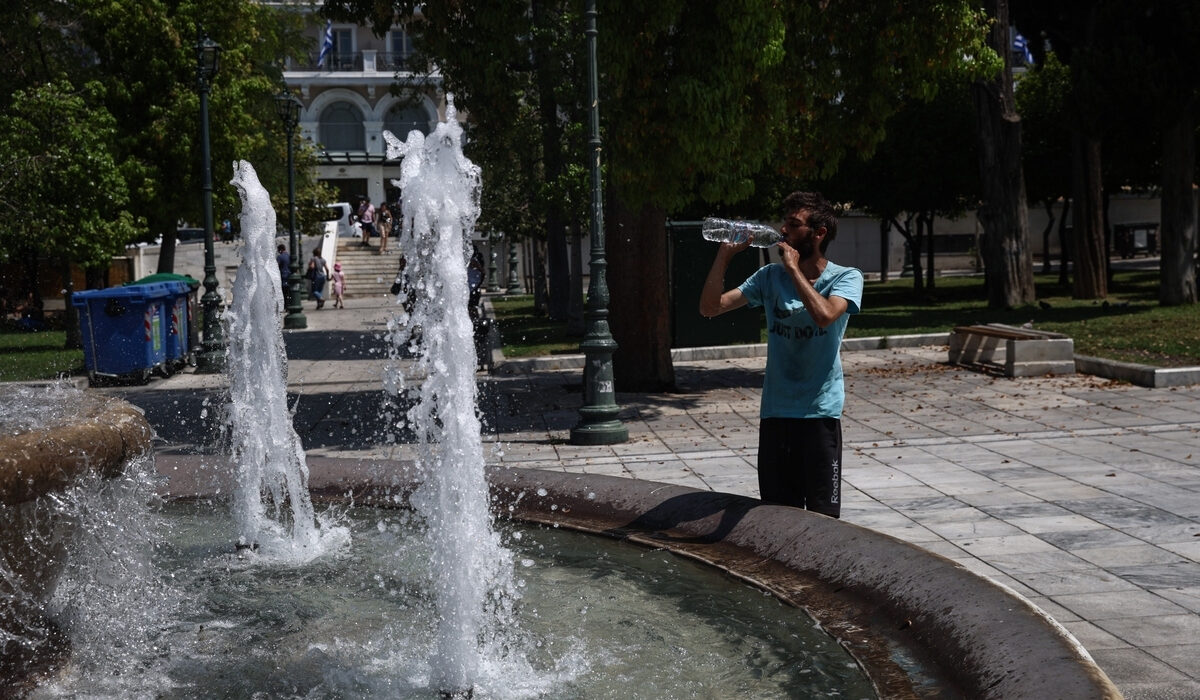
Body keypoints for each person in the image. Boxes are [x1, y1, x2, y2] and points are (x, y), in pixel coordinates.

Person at [698, 191, 863, 518]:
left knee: (823, 520)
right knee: (776, 516)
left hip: (819, 414)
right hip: (776, 413)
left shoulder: (846, 277)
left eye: (793, 224)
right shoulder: (769, 277)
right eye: (784, 222)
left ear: (818, 234)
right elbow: (709, 307)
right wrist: (724, 258)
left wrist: (793, 271)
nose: (782, 230)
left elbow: (825, 316)